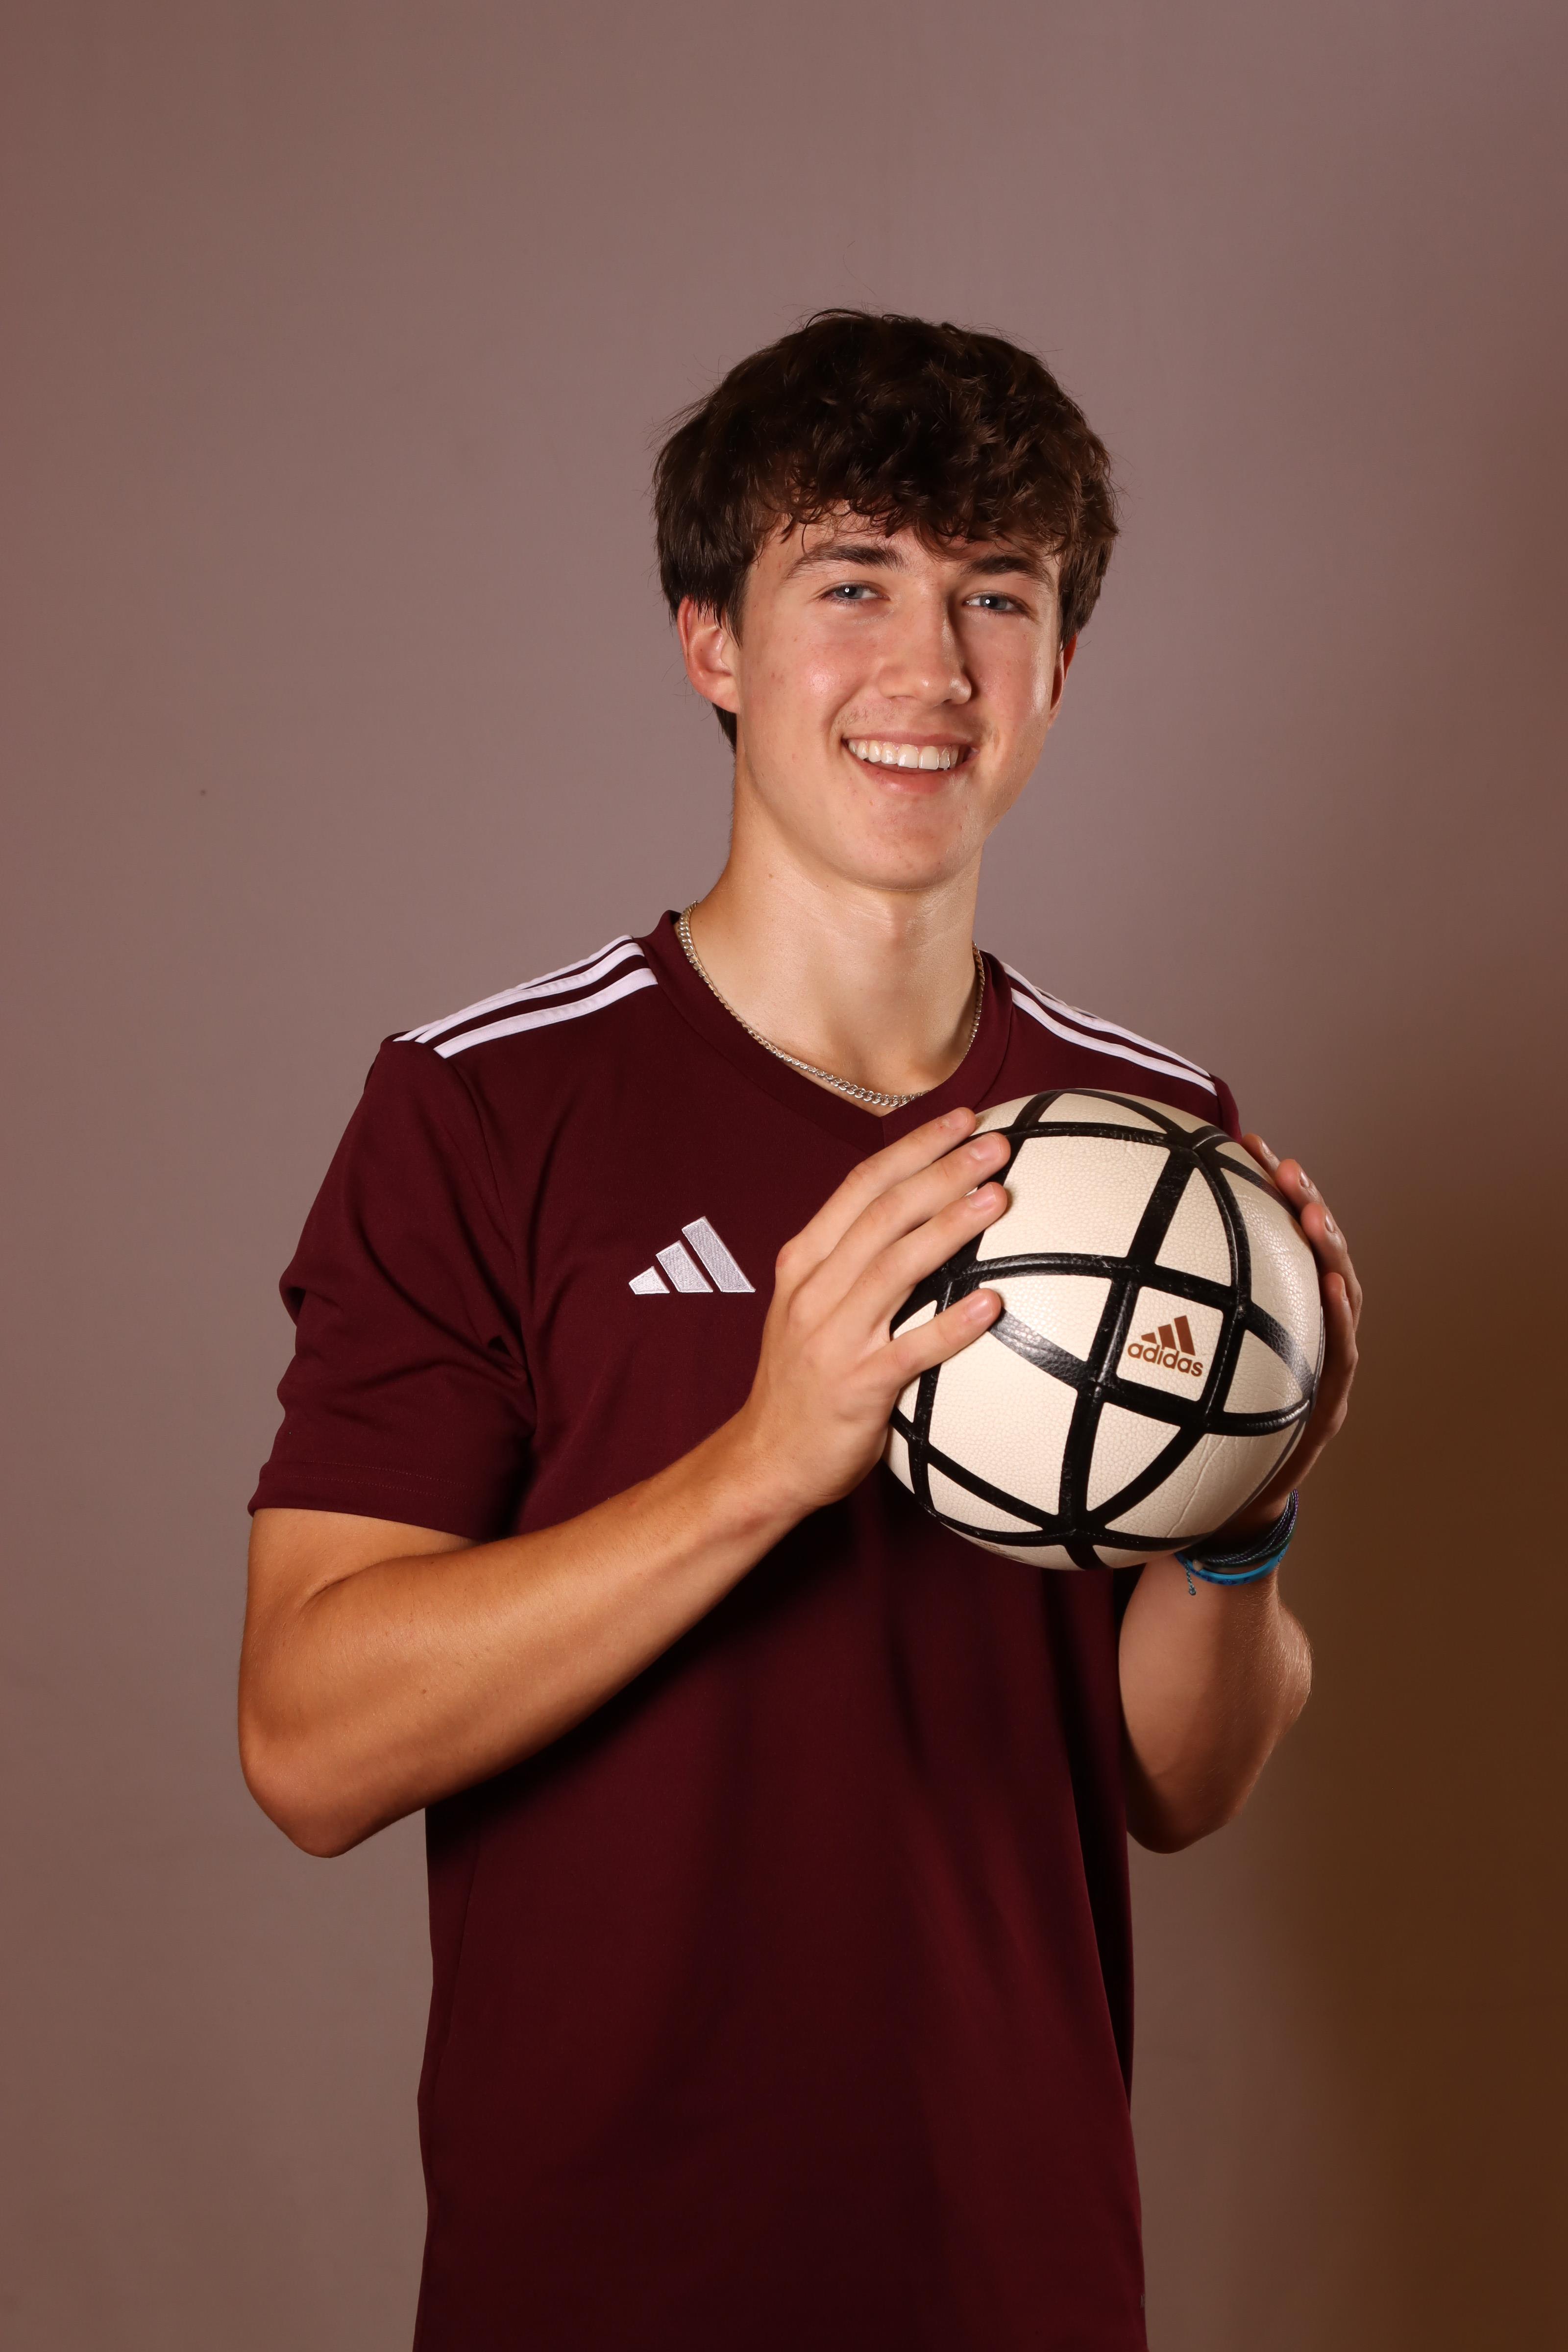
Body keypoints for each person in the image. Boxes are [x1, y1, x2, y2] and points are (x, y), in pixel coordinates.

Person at [241, 311, 1361, 2351]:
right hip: (596, 2285)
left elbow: (1174, 1787)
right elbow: (307, 1744)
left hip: (1016, 2269)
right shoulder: (483, 1104)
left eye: (994, 595)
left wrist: (1245, 1511)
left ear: (1059, 669)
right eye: (851, 583)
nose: (929, 668)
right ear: (712, 643)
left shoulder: (1158, 1150)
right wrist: (760, 1463)